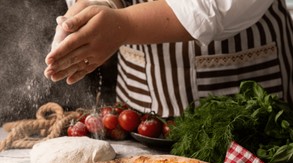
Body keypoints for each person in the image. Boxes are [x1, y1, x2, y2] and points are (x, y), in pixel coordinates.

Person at [44, 0, 293, 118]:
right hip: (141, 97)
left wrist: (124, 25)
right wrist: (98, 4)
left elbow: (215, 6)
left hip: (245, 90)